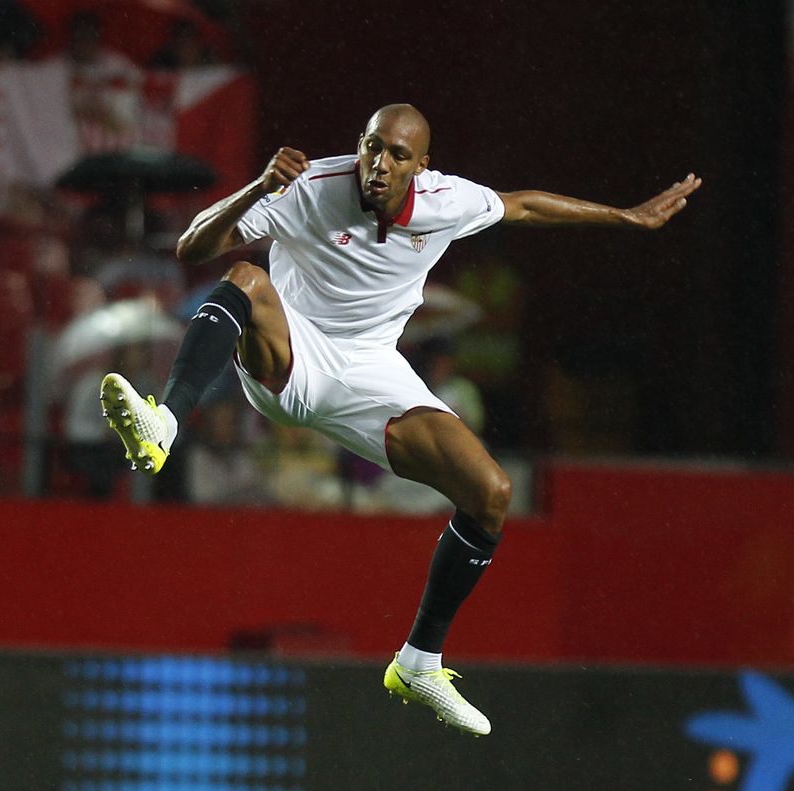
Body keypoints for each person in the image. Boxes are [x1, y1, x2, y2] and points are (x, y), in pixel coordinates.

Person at [99, 104, 701, 735]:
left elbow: (523, 204)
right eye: (371, 146)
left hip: (372, 370)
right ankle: (163, 421)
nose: (379, 165)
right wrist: (257, 188)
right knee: (246, 277)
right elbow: (191, 245)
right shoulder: (309, 189)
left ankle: (419, 661)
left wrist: (625, 216)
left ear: (422, 167)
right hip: (293, 351)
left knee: (491, 492)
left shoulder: (447, 202)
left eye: (397, 155)